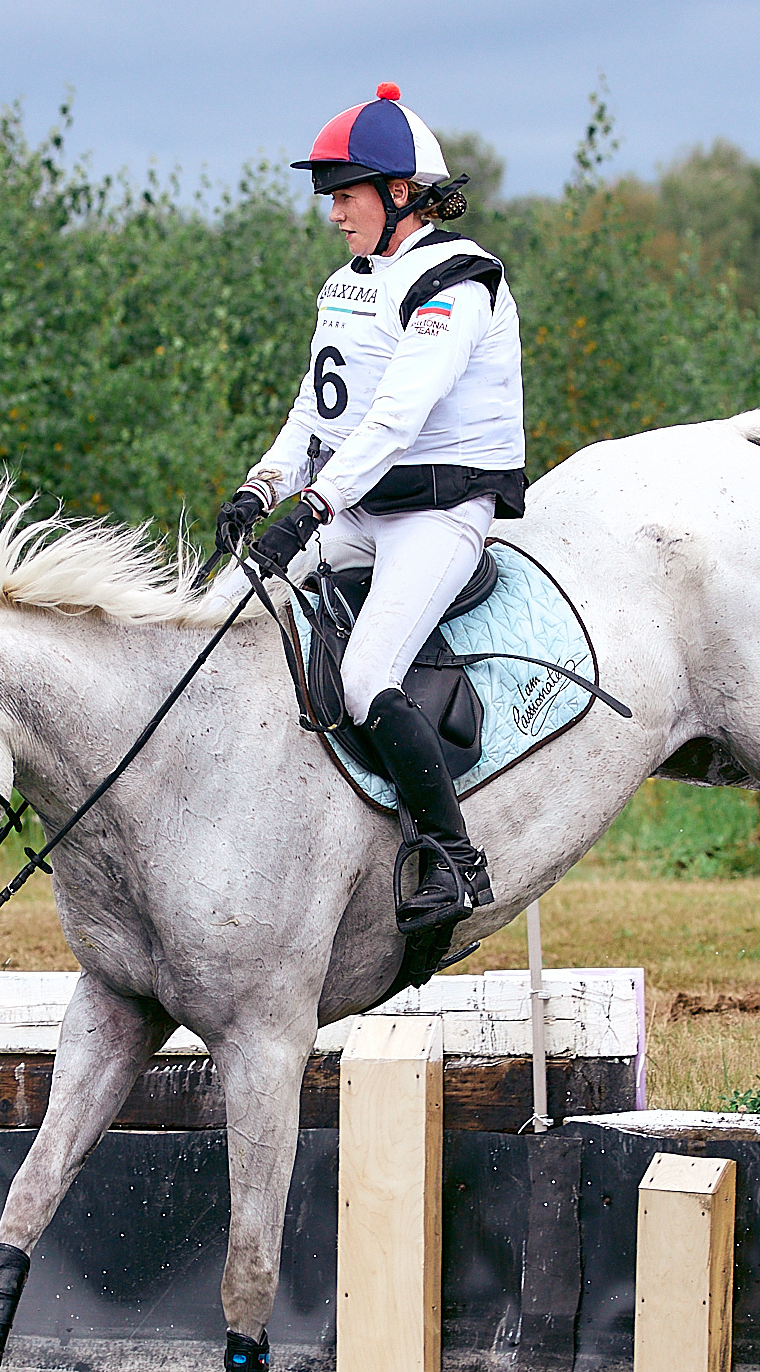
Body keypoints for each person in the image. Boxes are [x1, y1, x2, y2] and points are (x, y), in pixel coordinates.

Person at [212, 84, 527, 935]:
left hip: (440, 512)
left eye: (345, 194)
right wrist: (262, 486)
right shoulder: (348, 284)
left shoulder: (458, 282)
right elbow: (318, 411)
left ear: (398, 193)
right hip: (357, 505)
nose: (332, 213)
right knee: (226, 609)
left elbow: (396, 419)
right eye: (330, 196)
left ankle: (452, 857)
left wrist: (312, 505)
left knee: (364, 675)